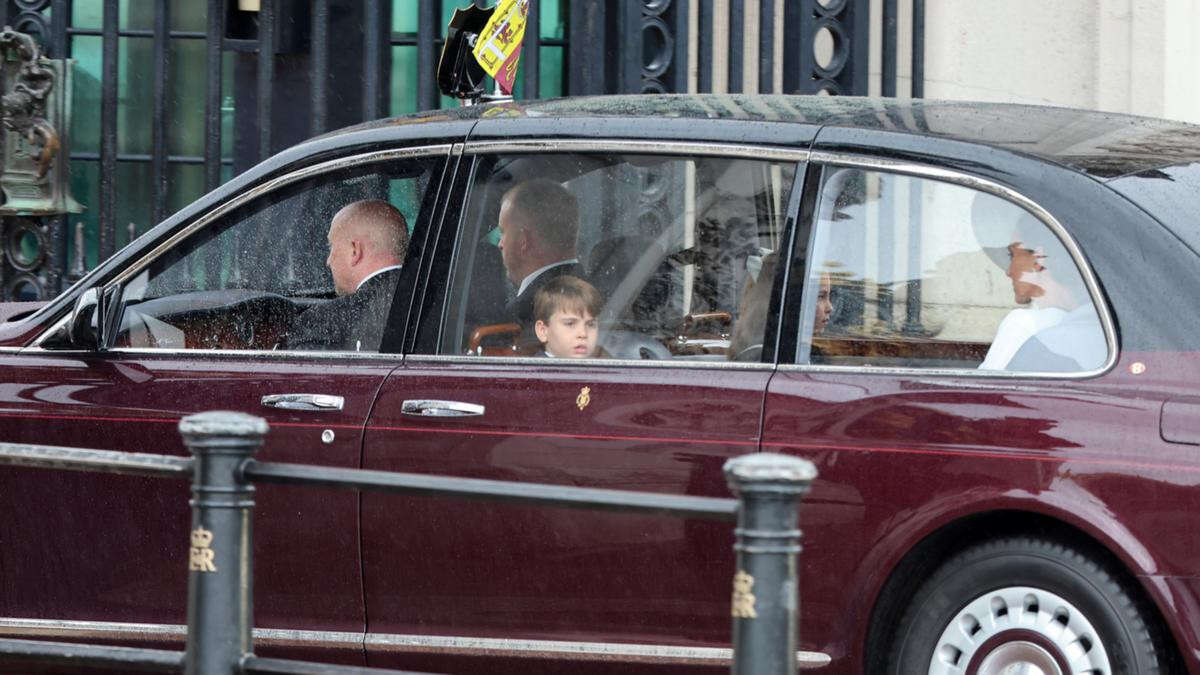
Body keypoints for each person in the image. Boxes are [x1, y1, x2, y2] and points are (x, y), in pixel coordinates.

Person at [975, 209, 1106, 371]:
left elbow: (989, 391)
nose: (1008, 271)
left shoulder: (1025, 325)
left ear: (1038, 259)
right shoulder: (1102, 323)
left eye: (1012, 255)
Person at [288, 199, 408, 352]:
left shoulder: (324, 323)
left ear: (354, 251)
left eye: (331, 246)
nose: (328, 261)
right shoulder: (441, 299)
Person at [497, 179, 585, 329]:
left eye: (503, 232)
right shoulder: (597, 295)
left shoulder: (519, 317)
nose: (500, 244)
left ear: (523, 241)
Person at [532, 275, 601, 358]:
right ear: (542, 331)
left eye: (591, 325)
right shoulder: (532, 370)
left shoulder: (606, 367)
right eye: (570, 324)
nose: (583, 334)